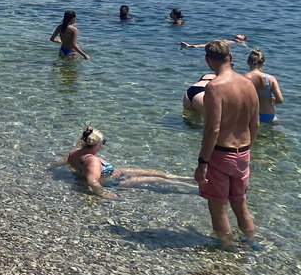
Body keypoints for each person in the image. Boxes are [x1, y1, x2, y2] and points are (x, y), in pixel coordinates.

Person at [195, 39, 259, 249]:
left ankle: (227, 248)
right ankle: (251, 243)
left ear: (207, 60)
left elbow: (213, 129)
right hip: (244, 153)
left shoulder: (214, 87)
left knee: (218, 206)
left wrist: (203, 162)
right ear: (230, 58)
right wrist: (249, 147)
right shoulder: (248, 83)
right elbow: (255, 123)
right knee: (240, 203)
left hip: (222, 154)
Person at [51, 126, 194, 200]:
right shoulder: (92, 161)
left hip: (116, 172)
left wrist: (50, 169)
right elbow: (93, 181)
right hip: (114, 182)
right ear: (97, 144)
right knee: (155, 179)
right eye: (103, 143)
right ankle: (192, 187)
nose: (103, 146)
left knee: (155, 172)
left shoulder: (73, 153)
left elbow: (59, 163)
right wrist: (105, 195)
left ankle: (188, 179)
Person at [244, 48, 284, 124]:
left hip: (251, 115)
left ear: (248, 62)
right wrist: (273, 100)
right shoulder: (270, 79)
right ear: (263, 64)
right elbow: (280, 100)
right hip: (268, 115)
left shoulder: (244, 78)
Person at [180, 34, 248, 49]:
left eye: (241, 35)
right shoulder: (231, 39)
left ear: (243, 39)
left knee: (209, 45)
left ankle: (192, 46)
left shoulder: (241, 42)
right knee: (208, 44)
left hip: (224, 43)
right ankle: (193, 46)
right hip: (222, 42)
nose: (239, 34)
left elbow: (245, 46)